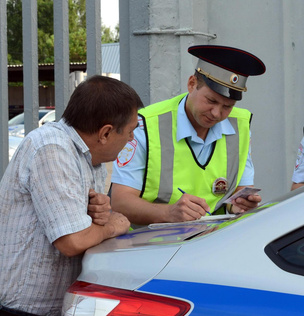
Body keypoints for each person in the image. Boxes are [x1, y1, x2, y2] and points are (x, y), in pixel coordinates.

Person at [0, 75, 143, 315]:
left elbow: (84, 228)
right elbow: (72, 241)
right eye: (130, 131)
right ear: (105, 133)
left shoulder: (90, 158)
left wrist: (99, 214)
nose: (131, 139)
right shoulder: (52, 148)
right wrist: (112, 225)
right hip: (22, 308)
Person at [110, 45, 266, 228]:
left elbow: (238, 192)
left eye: (227, 106)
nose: (217, 113)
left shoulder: (240, 125)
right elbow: (120, 201)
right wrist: (168, 213)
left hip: (210, 242)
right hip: (150, 245)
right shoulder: (146, 125)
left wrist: (238, 205)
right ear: (192, 84)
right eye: (211, 101)